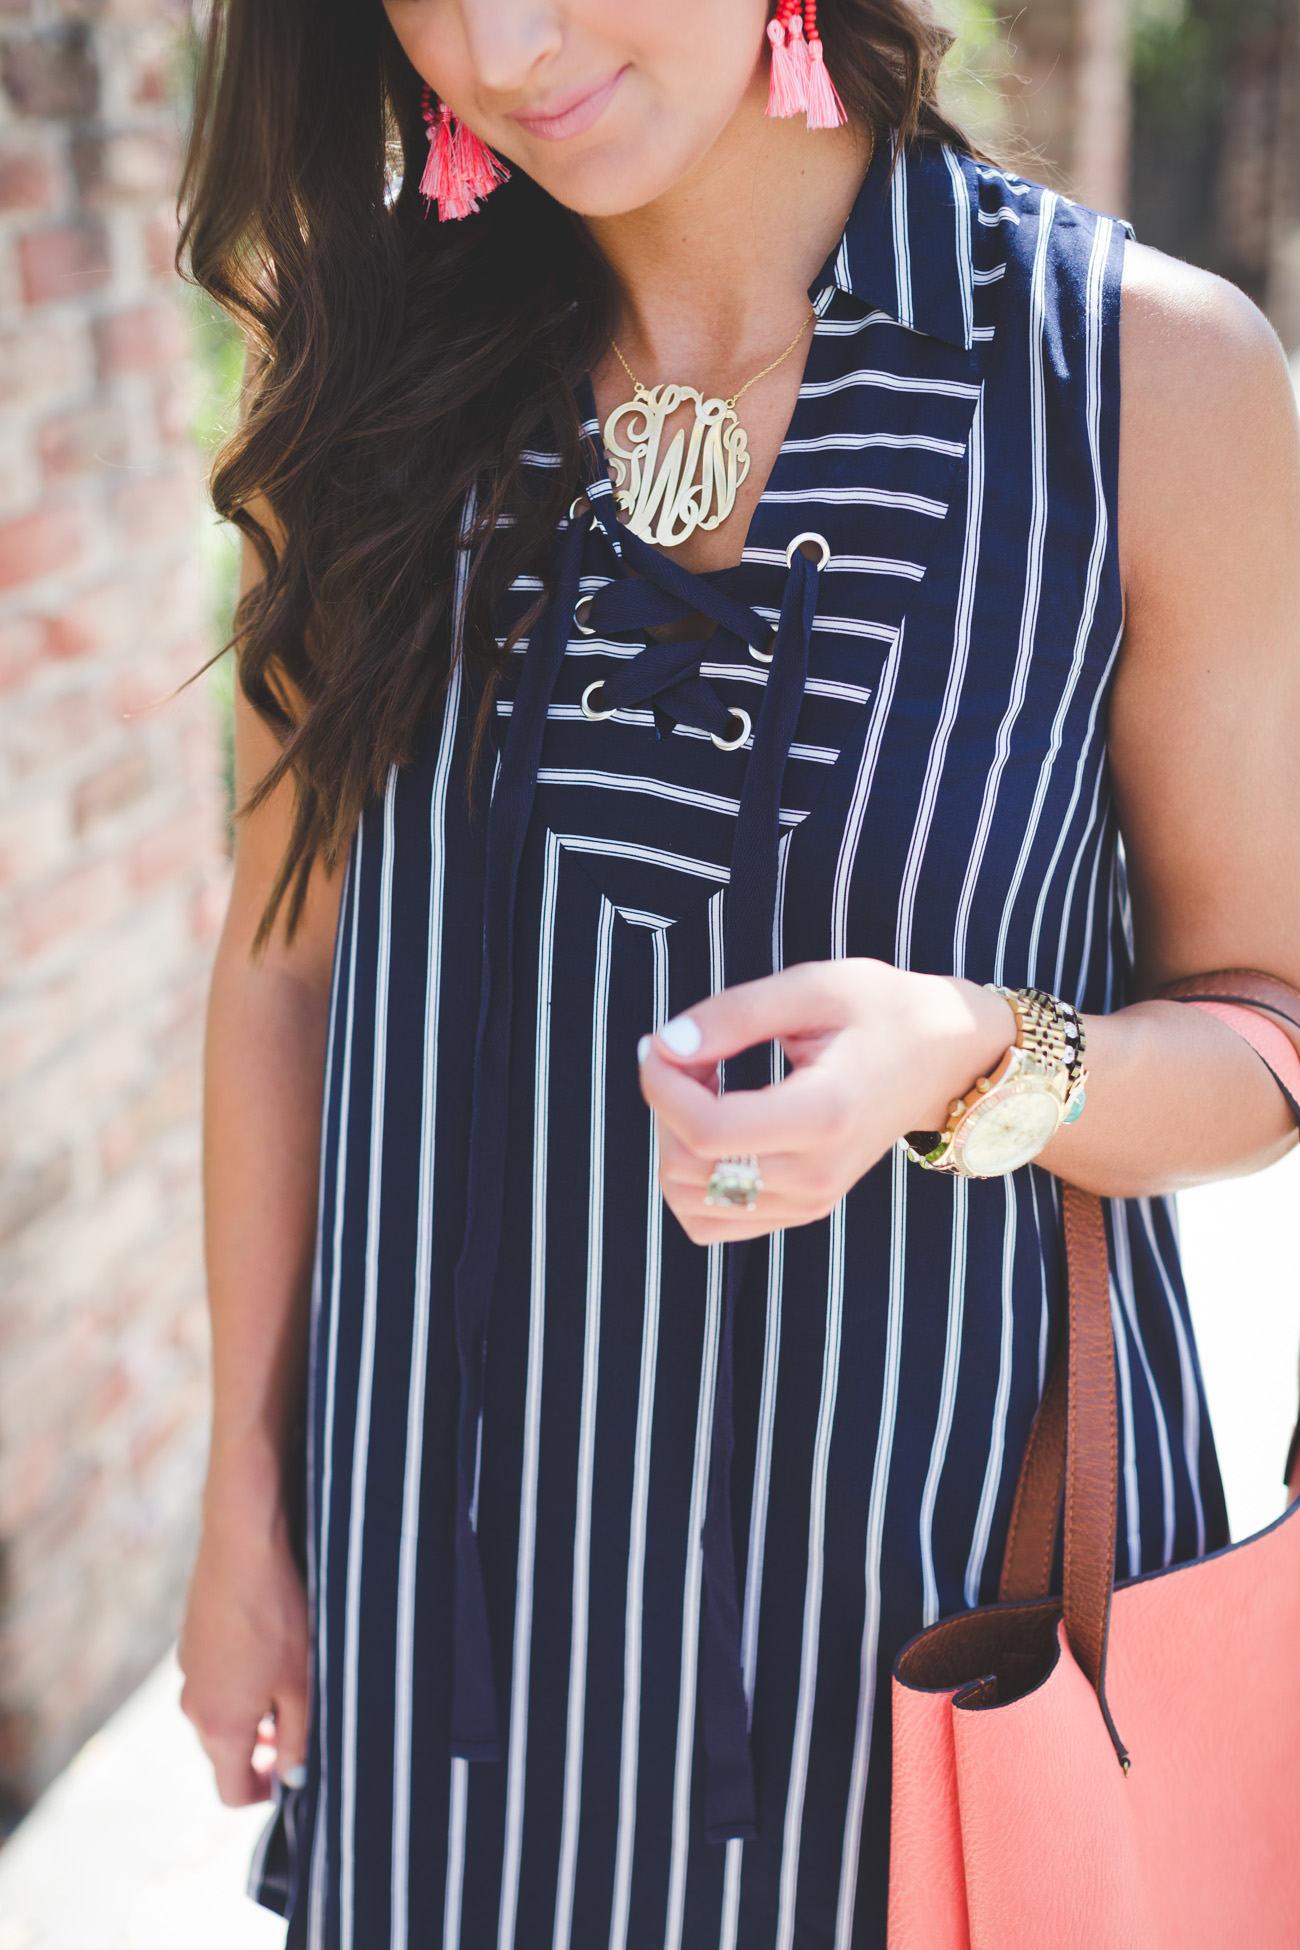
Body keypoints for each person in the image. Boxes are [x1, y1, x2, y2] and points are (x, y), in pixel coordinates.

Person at [175, 2, 1300, 1945]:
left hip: (936, 1663)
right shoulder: (361, 359)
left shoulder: (1137, 379)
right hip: (451, 1686)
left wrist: (967, 1053)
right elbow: (287, 971)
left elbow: (1266, 1027)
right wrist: (243, 1496)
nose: (496, 43)